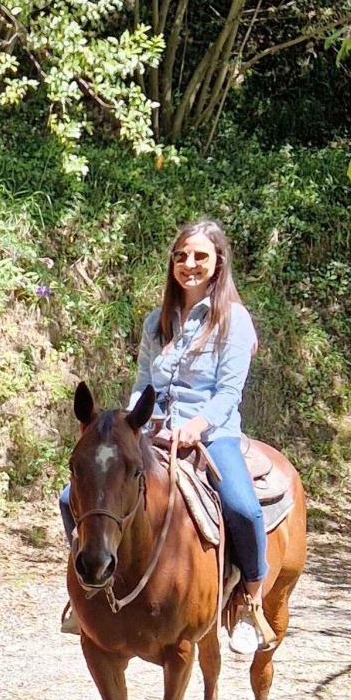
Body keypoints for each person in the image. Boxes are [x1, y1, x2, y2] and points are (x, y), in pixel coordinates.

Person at [59, 218, 268, 654]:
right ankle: (90, 586)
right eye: (181, 256)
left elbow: (229, 392)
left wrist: (197, 425)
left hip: (211, 435)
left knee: (242, 508)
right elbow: (143, 383)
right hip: (152, 432)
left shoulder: (234, 321)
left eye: (200, 256)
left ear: (218, 262)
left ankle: (251, 601)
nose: (189, 264)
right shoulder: (157, 322)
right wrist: (134, 423)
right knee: (68, 498)